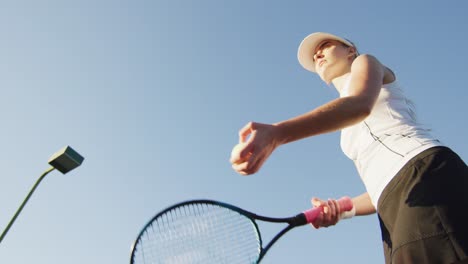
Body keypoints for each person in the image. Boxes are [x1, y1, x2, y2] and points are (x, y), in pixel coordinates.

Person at [230, 32, 468, 263]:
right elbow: (380, 187)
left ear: (351, 51)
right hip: (394, 204)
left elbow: (359, 105)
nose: (317, 54)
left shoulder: (367, 62)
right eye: (314, 54)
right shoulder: (347, 129)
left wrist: (278, 133)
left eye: (325, 45)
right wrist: (342, 208)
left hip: (425, 172)